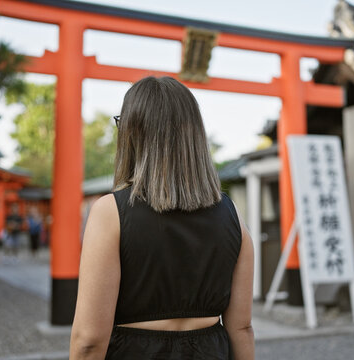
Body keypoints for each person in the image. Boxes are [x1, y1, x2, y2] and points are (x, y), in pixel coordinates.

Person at [70, 76, 255, 359]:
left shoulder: (110, 213)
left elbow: (89, 341)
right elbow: (241, 328)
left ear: (132, 133)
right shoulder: (231, 215)